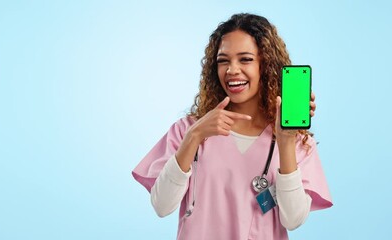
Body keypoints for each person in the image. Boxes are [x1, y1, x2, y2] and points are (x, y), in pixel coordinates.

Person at [132, 13, 332, 240]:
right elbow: (162, 205)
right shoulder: (187, 130)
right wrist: (194, 136)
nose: (232, 70)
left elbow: (293, 219)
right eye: (223, 60)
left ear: (265, 65)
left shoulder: (296, 141)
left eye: (245, 59)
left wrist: (285, 142)